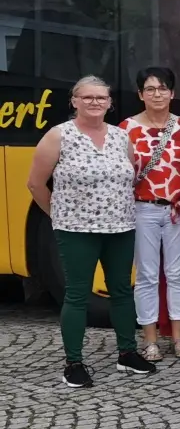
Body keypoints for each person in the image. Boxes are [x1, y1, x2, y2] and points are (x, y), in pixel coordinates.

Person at [27, 76, 154, 387]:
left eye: (101, 98)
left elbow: (126, 176)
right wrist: (59, 215)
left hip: (120, 226)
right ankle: (74, 362)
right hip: (76, 230)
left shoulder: (121, 137)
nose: (95, 102)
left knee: (122, 291)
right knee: (78, 293)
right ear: (74, 101)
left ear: (110, 103)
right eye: (87, 97)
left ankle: (127, 353)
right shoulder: (58, 136)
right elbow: (35, 183)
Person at [121, 66, 180, 361]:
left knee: (179, 275)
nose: (157, 94)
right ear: (140, 94)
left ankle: (178, 337)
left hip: (178, 210)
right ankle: (150, 340)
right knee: (146, 276)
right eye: (150, 89)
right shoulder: (126, 129)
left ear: (173, 93)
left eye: (163, 88)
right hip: (142, 209)